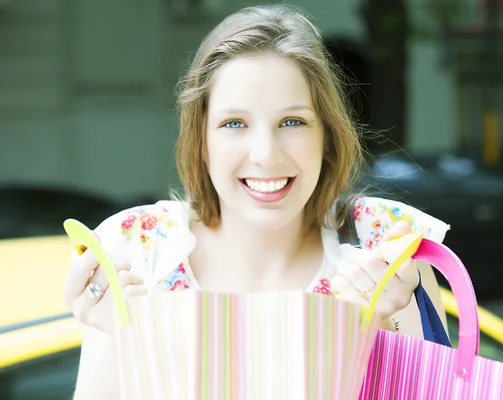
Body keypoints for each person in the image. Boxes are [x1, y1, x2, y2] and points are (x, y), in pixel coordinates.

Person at [63, 4, 451, 399]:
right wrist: (121, 336)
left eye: (292, 122)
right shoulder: (138, 250)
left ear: (327, 135)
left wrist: (383, 327)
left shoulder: (381, 244)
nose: (266, 154)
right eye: (235, 124)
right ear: (201, 140)